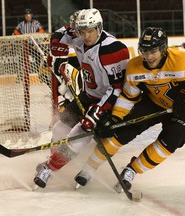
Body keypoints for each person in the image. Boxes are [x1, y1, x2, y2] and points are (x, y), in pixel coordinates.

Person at [74, 27, 185, 190]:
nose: (148, 56)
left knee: (171, 142)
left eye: (153, 51)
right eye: (145, 51)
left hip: (183, 111)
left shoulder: (184, 61)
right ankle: (89, 168)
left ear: (163, 49)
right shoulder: (135, 66)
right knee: (119, 131)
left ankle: (132, 170)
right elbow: (128, 96)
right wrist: (116, 117)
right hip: (152, 103)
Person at [33, 8, 130, 188]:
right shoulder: (78, 35)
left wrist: (98, 111)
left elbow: (117, 88)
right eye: (82, 32)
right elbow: (59, 34)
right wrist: (59, 57)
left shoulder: (112, 49)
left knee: (79, 136)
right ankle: (56, 159)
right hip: (88, 95)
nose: (86, 36)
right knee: (60, 128)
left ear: (99, 28)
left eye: (90, 31)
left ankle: (54, 168)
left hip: (110, 102)